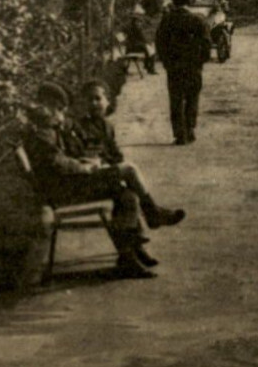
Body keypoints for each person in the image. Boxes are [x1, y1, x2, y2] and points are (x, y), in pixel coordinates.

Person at [22, 82, 183, 279]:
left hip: (68, 184)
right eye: (59, 110)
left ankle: (129, 255)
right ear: (47, 106)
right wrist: (86, 167)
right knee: (128, 170)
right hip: (64, 190)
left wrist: (84, 162)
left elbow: (62, 159)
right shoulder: (42, 133)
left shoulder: (47, 129)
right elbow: (57, 163)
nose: (62, 115)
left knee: (127, 194)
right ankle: (152, 214)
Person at [155, 0, 211, 145]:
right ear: (189, 2)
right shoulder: (198, 20)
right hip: (193, 66)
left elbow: (160, 43)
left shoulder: (167, 20)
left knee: (176, 99)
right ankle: (190, 130)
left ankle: (180, 134)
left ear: (173, 2)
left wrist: (166, 62)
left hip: (174, 66)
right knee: (192, 97)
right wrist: (201, 61)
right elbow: (206, 43)